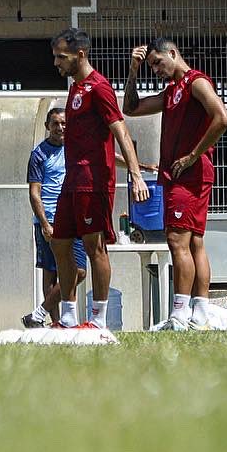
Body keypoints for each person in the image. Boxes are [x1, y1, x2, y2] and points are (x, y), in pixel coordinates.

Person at [123, 38, 227, 330]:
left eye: (158, 62)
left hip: (190, 174)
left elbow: (223, 118)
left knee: (176, 240)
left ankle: (181, 314)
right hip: (176, 174)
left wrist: (193, 156)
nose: (155, 69)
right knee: (194, 241)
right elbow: (130, 108)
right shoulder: (172, 90)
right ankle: (199, 313)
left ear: (173, 54)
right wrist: (133, 70)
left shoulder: (196, 82)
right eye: (151, 66)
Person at [50, 27, 149, 331]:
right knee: (60, 242)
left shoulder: (99, 87)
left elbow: (120, 130)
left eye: (61, 57)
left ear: (80, 54)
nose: (56, 63)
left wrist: (135, 174)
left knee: (95, 248)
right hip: (72, 179)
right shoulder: (75, 89)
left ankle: (99, 320)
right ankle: (67, 316)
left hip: (93, 181)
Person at [23, 107, 88, 328]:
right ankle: (56, 321)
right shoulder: (39, 154)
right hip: (50, 219)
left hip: (74, 217)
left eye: (64, 123)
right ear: (47, 126)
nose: (60, 128)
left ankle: (38, 314)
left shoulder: (75, 148)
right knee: (51, 272)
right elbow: (34, 193)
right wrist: (44, 223)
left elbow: (106, 156)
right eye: (56, 124)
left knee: (78, 271)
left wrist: (136, 166)